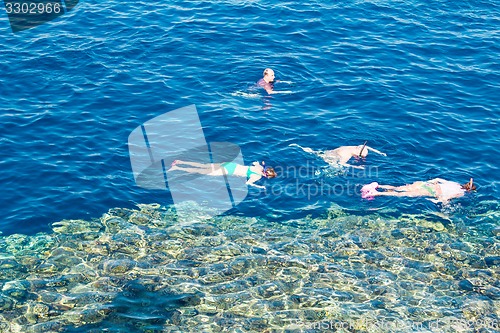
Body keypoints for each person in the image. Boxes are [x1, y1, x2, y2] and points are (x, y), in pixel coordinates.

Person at [169, 159, 276, 189]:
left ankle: (180, 161)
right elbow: (248, 183)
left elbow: (255, 162)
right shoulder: (256, 176)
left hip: (230, 165)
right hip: (228, 171)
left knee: (203, 165)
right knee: (200, 171)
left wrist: (260, 164)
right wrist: (259, 186)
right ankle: (176, 168)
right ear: (266, 176)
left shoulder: (259, 167)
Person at [361, 178, 476, 204]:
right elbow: (445, 198)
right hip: (431, 192)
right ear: (469, 191)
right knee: (400, 194)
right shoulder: (461, 193)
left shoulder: (455, 183)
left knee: (399, 188)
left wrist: (429, 182)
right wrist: (440, 202)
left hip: (426, 184)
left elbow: (437, 179)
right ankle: (377, 193)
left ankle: (377, 185)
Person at [290, 142, 386, 169]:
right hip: (331, 157)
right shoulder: (347, 155)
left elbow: (368, 147)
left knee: (315, 152)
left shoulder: (359, 147)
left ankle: (298, 146)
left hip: (330, 151)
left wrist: (380, 153)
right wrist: (356, 167)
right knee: (336, 169)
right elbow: (342, 163)